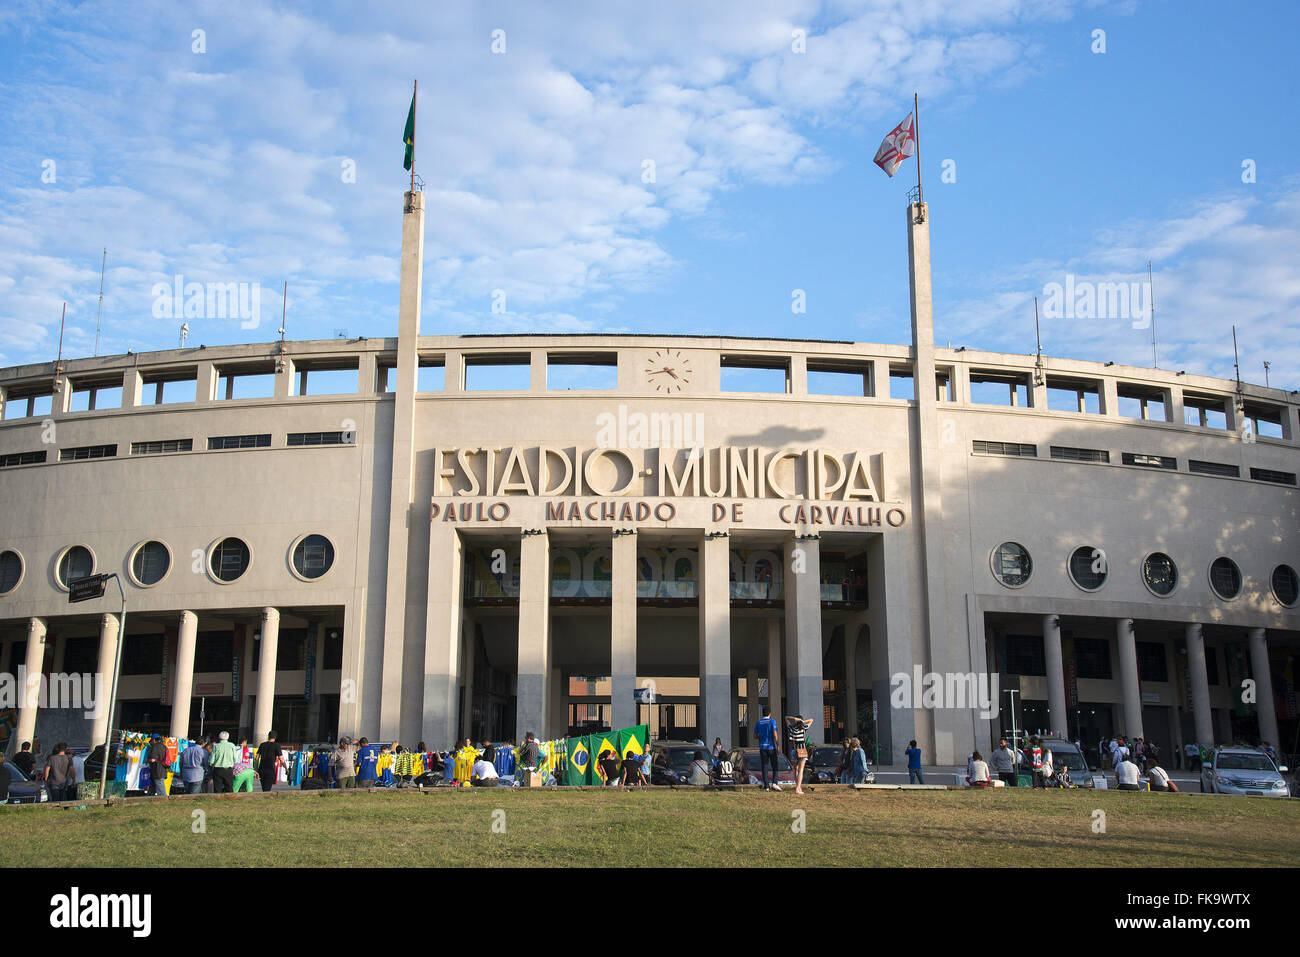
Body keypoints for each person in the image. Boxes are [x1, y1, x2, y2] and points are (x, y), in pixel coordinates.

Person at [753, 705, 781, 791]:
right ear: (770, 713)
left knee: (764, 767)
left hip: (762, 747)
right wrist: (778, 745)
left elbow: (755, 736)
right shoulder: (772, 722)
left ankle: (766, 786)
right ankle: (775, 783)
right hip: (771, 747)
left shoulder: (759, 723)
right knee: (775, 765)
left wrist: (761, 735)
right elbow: (775, 734)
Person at [786, 714, 814, 795]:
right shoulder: (803, 728)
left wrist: (794, 718)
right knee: (801, 770)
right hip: (802, 750)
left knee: (796, 770)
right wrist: (802, 721)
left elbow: (786, 718)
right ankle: (799, 788)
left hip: (794, 750)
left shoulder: (792, 729)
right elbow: (811, 720)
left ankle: (797, 787)